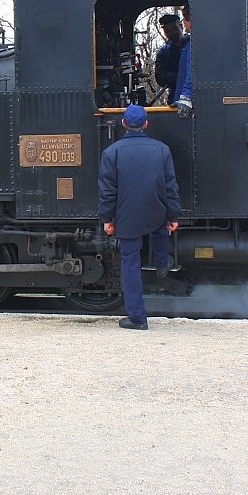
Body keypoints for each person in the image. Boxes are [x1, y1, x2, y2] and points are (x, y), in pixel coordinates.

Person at [97, 104, 182, 330]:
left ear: (123, 123)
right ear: (146, 124)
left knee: (130, 264)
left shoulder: (111, 153)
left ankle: (137, 318)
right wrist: (173, 215)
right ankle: (162, 263)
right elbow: (170, 187)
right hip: (156, 210)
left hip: (126, 216)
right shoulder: (162, 150)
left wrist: (107, 219)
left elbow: (108, 191)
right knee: (160, 228)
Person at [153, 11, 193, 118]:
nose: (172, 33)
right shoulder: (164, 53)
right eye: (168, 31)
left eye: (174, 29)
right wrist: (179, 77)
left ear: (180, 26)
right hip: (174, 96)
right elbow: (160, 77)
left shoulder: (192, 45)